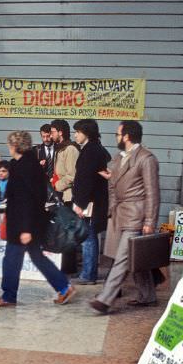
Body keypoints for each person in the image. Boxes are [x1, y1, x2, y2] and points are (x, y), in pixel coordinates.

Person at [0, 131, 76, 307]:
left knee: (12, 259)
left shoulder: (25, 167)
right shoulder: (26, 164)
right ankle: (63, 287)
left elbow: (27, 200)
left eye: (10, 144)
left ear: (15, 146)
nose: (9, 147)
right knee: (34, 257)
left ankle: (9, 295)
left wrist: (26, 229)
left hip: (24, 224)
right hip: (27, 222)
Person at [89, 121, 159, 314]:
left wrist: (149, 221)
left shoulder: (146, 158)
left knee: (122, 258)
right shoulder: (119, 158)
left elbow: (152, 193)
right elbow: (114, 184)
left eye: (118, 134)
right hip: (120, 214)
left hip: (136, 214)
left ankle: (105, 298)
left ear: (127, 136)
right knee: (136, 256)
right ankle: (148, 295)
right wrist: (112, 209)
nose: (116, 138)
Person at [71, 119, 109, 285]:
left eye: (78, 132)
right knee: (90, 236)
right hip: (94, 201)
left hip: (90, 202)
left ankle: (88, 274)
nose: (75, 135)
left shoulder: (90, 151)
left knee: (88, 237)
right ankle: (88, 272)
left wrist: (80, 203)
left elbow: (86, 180)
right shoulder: (95, 149)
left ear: (86, 133)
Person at [50, 119, 80, 274]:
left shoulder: (71, 150)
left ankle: (69, 267)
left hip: (69, 196)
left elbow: (72, 175)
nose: (51, 134)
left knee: (69, 232)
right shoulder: (60, 149)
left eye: (53, 131)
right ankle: (64, 265)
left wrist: (57, 184)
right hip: (61, 196)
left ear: (60, 132)